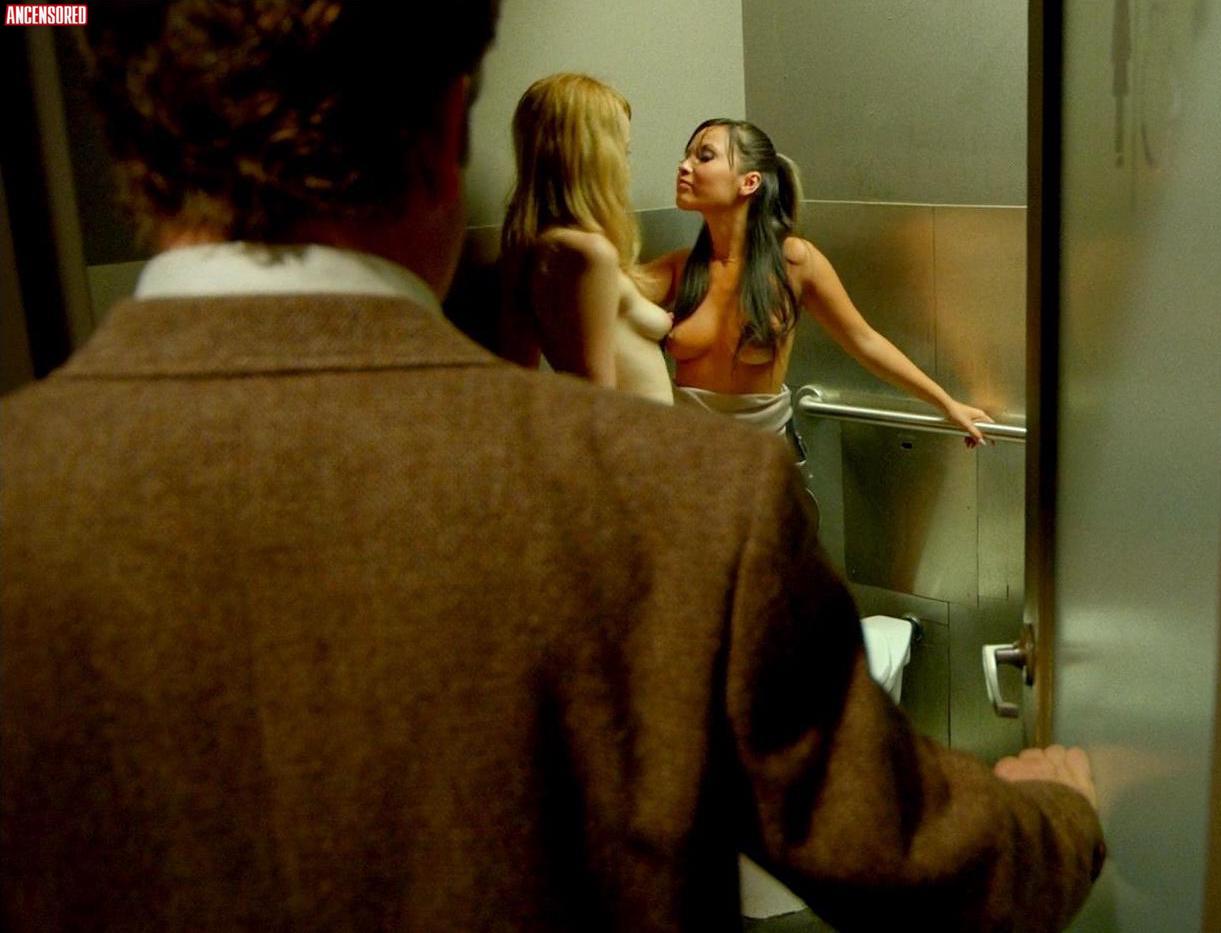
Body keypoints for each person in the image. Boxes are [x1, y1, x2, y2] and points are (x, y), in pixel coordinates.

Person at [1, 3, 1103, 931]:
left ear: (128, 142)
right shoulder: (684, 500)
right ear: (449, 126)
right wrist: (1062, 809)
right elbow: (902, 853)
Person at [643, 118, 991, 455]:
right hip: (688, 455)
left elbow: (864, 341)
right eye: (686, 156)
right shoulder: (680, 268)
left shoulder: (793, 261)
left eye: (704, 156)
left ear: (749, 182)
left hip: (761, 459)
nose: (684, 166)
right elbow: (613, 290)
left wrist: (947, 404)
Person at [499, 73, 673, 405]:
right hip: (632, 433)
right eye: (624, 152)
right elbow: (597, 396)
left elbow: (520, 367)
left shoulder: (536, 244)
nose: (627, 166)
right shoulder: (590, 253)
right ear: (597, 157)